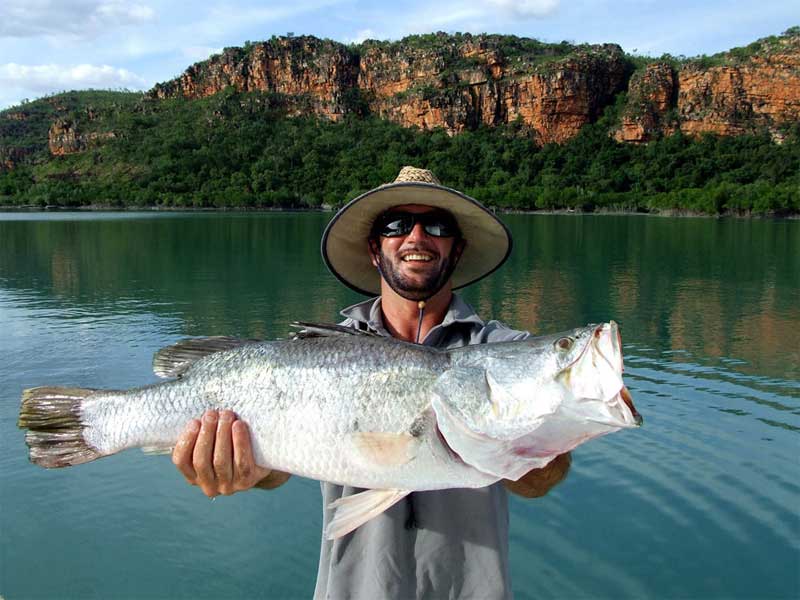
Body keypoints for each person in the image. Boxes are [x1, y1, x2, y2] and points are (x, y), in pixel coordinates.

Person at [172, 167, 571, 599]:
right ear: (375, 249)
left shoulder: (503, 352)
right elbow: (275, 471)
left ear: (457, 250)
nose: (417, 237)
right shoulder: (317, 355)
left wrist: (531, 439)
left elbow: (544, 478)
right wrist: (242, 469)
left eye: (437, 226)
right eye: (396, 225)